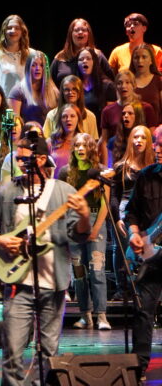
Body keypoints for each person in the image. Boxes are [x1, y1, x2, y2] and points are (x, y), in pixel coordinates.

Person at [0, 135, 91, 386]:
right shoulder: (8, 191)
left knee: (49, 354)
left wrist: (83, 214)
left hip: (53, 283)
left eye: (25, 158)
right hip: (17, 282)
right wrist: (1, 241)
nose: (20, 164)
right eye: (18, 159)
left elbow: (80, 235)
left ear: (40, 158)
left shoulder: (63, 191)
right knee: (13, 352)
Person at [58, 133, 111, 330]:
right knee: (79, 272)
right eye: (77, 145)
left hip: (96, 219)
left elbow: (106, 202)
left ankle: (102, 315)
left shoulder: (101, 172)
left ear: (91, 149)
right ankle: (85, 314)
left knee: (97, 270)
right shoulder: (65, 172)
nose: (80, 149)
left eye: (85, 145)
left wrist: (96, 228)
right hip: (73, 223)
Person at [125, 139, 162, 381]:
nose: (158, 149)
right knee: (143, 310)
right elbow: (132, 212)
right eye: (157, 144)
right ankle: (138, 368)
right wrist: (134, 234)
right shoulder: (146, 176)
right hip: (151, 255)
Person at [110, 125, 154, 300]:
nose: (139, 141)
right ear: (130, 141)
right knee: (119, 249)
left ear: (148, 141)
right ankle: (122, 289)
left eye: (143, 137)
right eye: (136, 137)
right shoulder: (122, 166)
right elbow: (114, 195)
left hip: (146, 211)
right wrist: (116, 218)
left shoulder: (154, 167)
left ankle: (143, 287)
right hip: (124, 211)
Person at [99, 70, 157, 166]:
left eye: (127, 82)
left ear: (134, 85)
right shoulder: (107, 110)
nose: (123, 86)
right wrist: (106, 167)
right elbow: (104, 140)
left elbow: (150, 137)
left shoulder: (146, 108)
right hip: (119, 152)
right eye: (119, 83)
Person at [50, 18, 114, 87]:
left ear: (89, 34)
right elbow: (49, 84)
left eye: (84, 30)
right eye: (76, 30)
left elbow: (112, 81)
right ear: (70, 34)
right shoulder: (60, 57)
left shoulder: (98, 56)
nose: (80, 32)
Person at [8, 51, 58, 125]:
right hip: (27, 134)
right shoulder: (18, 91)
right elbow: (14, 122)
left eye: (41, 65)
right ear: (28, 67)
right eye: (34, 65)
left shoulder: (54, 91)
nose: (38, 68)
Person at [0, 15, 35, 97]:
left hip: (27, 103)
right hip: (4, 105)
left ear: (22, 31)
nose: (13, 31)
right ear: (4, 31)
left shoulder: (32, 54)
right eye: (9, 28)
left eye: (17, 28)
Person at [43, 75, 99, 140]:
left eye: (74, 89)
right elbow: (45, 141)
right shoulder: (52, 115)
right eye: (67, 90)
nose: (70, 92)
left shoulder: (90, 116)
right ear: (62, 92)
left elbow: (93, 143)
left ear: (80, 92)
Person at [76, 47, 116, 126]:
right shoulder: (74, 87)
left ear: (94, 62)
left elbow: (110, 117)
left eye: (88, 58)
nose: (84, 61)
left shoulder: (107, 86)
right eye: (81, 59)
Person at [130, 43, 162, 126]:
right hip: (132, 129)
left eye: (144, 57)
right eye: (136, 57)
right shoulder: (128, 81)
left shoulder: (159, 80)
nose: (140, 61)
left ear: (151, 60)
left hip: (155, 130)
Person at [48, 103, 81, 177]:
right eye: (64, 116)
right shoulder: (51, 142)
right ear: (60, 120)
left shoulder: (84, 142)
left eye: (72, 116)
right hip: (55, 185)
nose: (68, 119)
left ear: (78, 119)